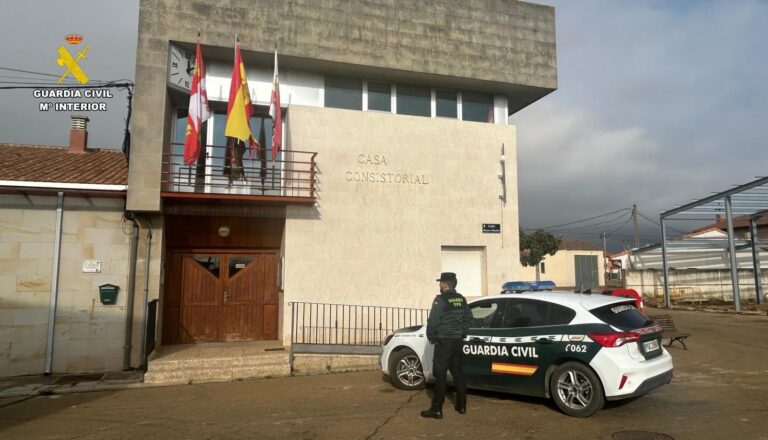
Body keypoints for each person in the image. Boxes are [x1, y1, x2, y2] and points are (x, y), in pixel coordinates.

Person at [420, 272, 473, 419]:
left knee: (440, 374)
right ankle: (462, 406)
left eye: (440, 282)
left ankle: (436, 409)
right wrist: (462, 333)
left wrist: (433, 338)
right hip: (457, 342)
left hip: (444, 342)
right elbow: (469, 318)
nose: (439, 285)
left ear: (446, 284)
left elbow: (433, 322)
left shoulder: (440, 300)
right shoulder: (461, 299)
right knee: (457, 373)